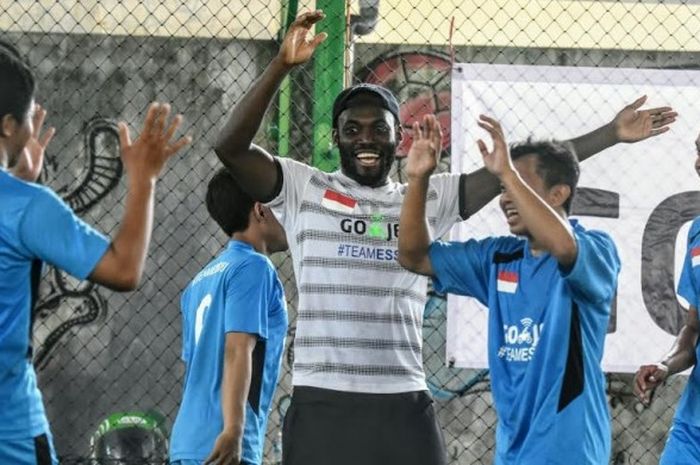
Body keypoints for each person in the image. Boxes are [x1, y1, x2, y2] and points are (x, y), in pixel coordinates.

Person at [213, 10, 675, 464]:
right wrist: (280, 65)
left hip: (402, 398)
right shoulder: (302, 187)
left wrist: (609, 135)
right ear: (336, 137)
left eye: (379, 128)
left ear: (401, 137)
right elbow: (230, 146)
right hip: (323, 399)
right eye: (352, 129)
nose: (365, 138)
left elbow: (519, 173)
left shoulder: (431, 193)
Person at [0, 47, 190, 464]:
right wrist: (143, 180)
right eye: (30, 119)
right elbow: (124, 268)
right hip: (9, 429)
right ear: (9, 126)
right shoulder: (27, 207)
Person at [398, 114, 621, 464]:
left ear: (559, 193)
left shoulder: (595, 249)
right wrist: (418, 179)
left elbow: (564, 247)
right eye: (503, 188)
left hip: (569, 452)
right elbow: (414, 255)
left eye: (518, 184)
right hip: (512, 451)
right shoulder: (499, 258)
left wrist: (506, 174)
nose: (505, 198)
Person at [169, 168, 289, 465]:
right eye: (281, 205)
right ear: (260, 210)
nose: (288, 214)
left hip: (186, 442)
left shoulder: (198, 282)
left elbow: (197, 366)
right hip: (223, 441)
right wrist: (233, 429)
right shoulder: (254, 268)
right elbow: (238, 349)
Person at [633, 131, 700, 464]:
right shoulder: (697, 231)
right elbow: (693, 328)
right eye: (699, 151)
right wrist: (665, 364)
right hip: (693, 426)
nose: (699, 163)